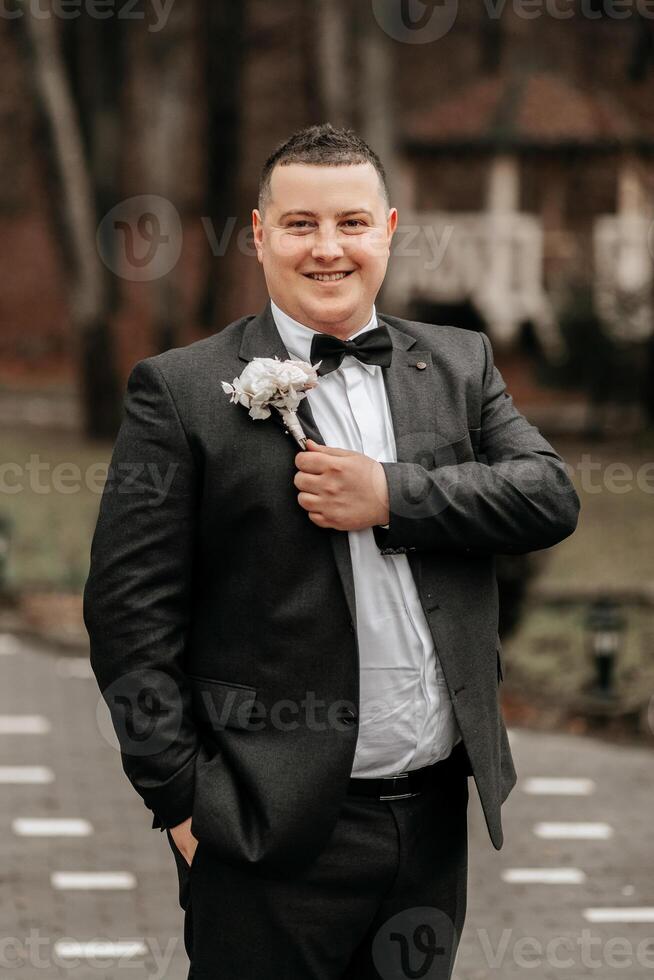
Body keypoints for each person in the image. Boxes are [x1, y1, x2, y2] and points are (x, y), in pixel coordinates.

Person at [84, 123, 580, 979]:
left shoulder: (459, 365)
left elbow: (548, 495)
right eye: (300, 224)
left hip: (428, 827)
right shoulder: (182, 391)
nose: (327, 248)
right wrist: (183, 806)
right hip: (264, 832)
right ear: (259, 233)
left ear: (387, 231)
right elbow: (128, 619)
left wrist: (394, 496)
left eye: (351, 223)